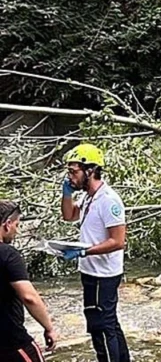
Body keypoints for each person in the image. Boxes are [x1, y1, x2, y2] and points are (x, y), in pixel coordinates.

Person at [60, 144, 130, 362]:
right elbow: (69, 215)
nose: (70, 176)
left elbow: (118, 241)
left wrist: (84, 252)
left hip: (104, 274)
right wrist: (67, 193)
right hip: (90, 271)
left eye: (74, 172)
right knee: (108, 322)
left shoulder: (109, 200)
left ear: (90, 171)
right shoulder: (89, 197)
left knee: (101, 326)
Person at [1, 200, 58, 362]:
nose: (17, 231)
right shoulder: (8, 255)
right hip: (11, 341)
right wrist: (49, 328)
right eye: (17, 225)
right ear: (7, 224)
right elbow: (29, 297)